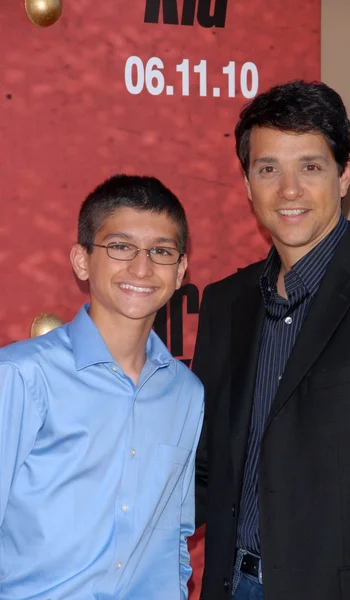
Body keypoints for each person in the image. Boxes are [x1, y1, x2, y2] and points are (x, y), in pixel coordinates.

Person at [193, 80, 350, 600]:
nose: (288, 190)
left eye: (310, 166)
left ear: (345, 172)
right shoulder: (225, 303)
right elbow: (204, 466)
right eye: (268, 169)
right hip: (233, 584)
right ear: (246, 182)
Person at [0, 175, 204, 599]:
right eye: (121, 247)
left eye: (161, 252)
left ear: (181, 270)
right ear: (81, 260)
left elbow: (174, 538)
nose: (142, 268)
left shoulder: (186, 393)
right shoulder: (22, 375)